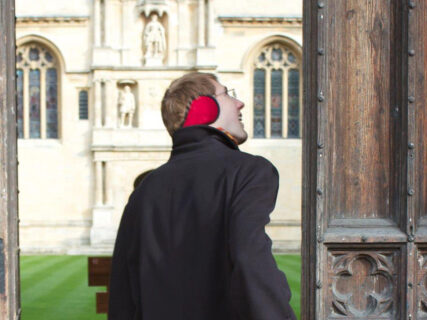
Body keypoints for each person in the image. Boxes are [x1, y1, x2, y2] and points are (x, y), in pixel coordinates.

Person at [108, 72, 295, 319]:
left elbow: (122, 296)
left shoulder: (144, 190)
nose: (240, 103)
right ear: (205, 107)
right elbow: (250, 262)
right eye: (228, 94)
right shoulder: (247, 171)